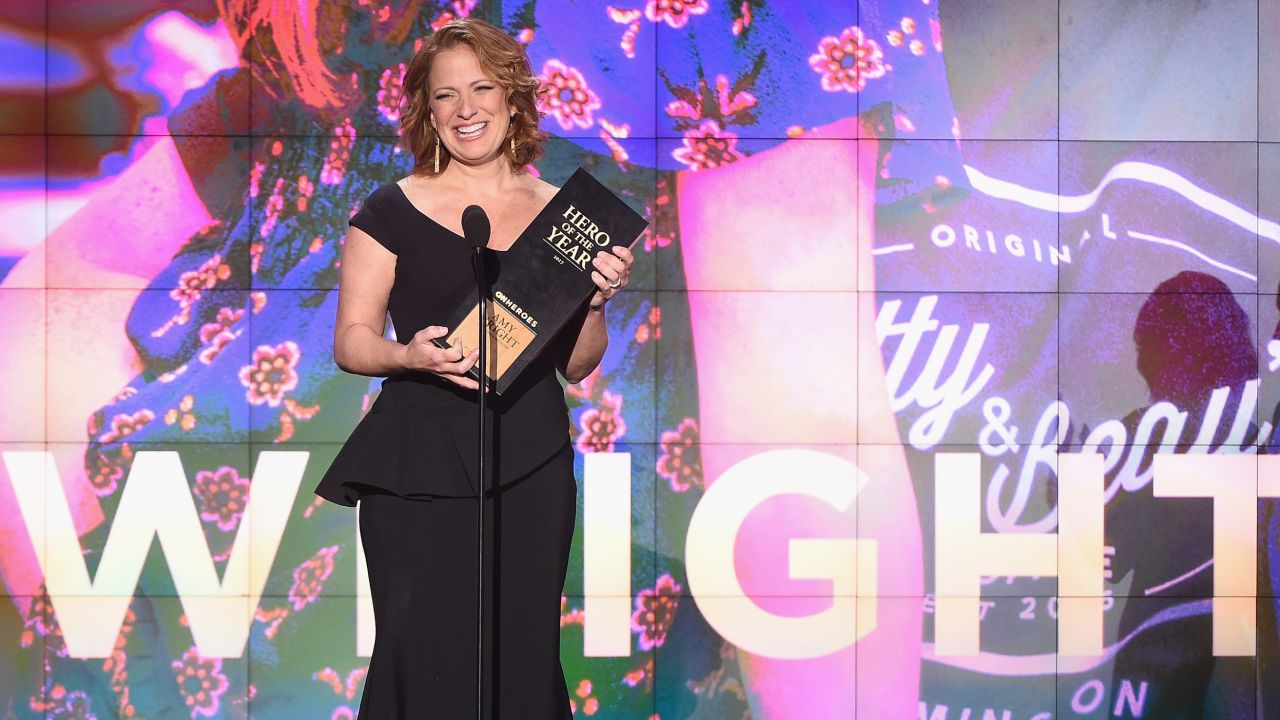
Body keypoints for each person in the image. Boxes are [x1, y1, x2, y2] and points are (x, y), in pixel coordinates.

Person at [312, 17, 634, 719]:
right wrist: (407, 355)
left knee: (521, 655)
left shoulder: (563, 217)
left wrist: (596, 303)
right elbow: (352, 341)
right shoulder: (389, 211)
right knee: (421, 654)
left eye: (482, 88)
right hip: (417, 465)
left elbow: (577, 367)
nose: (466, 109)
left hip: (530, 464)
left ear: (512, 99)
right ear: (427, 113)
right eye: (445, 95)